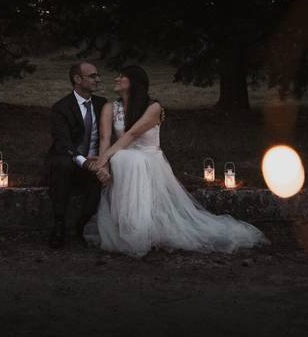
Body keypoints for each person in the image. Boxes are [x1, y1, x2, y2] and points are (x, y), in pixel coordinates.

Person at [86, 65, 267, 257]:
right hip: (124, 162)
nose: (116, 79)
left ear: (135, 82)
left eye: (122, 76)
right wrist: (103, 167)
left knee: (127, 158)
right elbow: (105, 139)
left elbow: (132, 134)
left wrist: (102, 160)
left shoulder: (153, 107)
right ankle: (128, 226)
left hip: (148, 159)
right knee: (125, 158)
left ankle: (140, 229)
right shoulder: (109, 107)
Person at [46, 61, 109, 248]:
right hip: (68, 158)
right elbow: (62, 142)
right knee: (63, 166)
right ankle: (59, 224)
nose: (98, 79)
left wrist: (101, 161)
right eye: (92, 76)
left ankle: (81, 226)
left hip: (94, 159)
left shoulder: (101, 104)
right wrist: (84, 162)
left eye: (97, 75)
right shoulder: (61, 108)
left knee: (97, 179)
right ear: (77, 79)